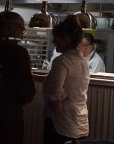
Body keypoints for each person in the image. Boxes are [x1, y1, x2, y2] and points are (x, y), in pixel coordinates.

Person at [43, 16, 90, 144]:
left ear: (66, 39)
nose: (53, 41)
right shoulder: (83, 61)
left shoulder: (62, 61)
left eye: (56, 38)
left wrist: (55, 98)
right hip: (81, 122)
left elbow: (56, 104)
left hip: (61, 125)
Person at [0, 11, 36, 144]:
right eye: (21, 28)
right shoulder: (18, 52)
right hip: (8, 115)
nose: (22, 32)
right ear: (10, 27)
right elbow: (27, 90)